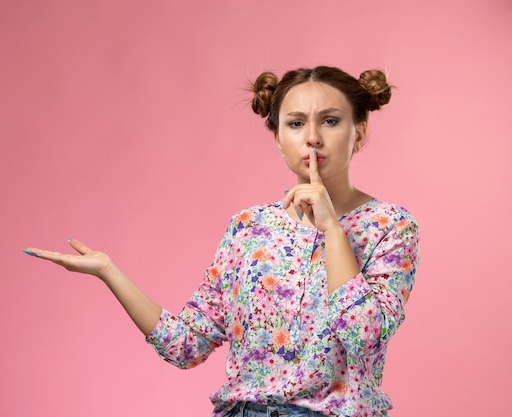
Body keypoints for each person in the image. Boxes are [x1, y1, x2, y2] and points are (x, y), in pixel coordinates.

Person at [24, 65, 420, 417]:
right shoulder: (249, 228)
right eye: (296, 124)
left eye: (331, 121)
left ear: (360, 131)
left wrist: (333, 230)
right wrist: (108, 272)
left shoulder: (390, 226)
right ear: (278, 139)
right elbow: (186, 345)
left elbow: (363, 337)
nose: (312, 137)